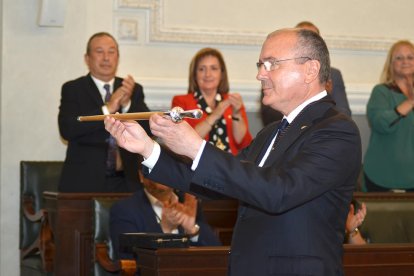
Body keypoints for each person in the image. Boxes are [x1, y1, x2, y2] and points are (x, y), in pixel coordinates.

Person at [104, 28, 362, 275]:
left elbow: (279, 192)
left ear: (310, 70)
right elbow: (217, 182)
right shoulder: (272, 131)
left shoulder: (337, 130)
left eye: (272, 64)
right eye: (260, 65)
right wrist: (148, 149)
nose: (261, 74)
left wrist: (196, 147)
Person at [58, 32, 151, 193]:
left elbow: (148, 130)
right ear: (87, 59)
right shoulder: (73, 89)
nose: (106, 58)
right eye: (99, 52)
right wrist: (108, 108)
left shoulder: (132, 89)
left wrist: (127, 104)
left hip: (127, 182)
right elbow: (67, 129)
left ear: (118, 57)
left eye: (111, 52)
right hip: (84, 182)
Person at [110, 169, 221, 260]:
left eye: (166, 168)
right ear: (141, 176)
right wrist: (164, 230)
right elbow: (129, 261)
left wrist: (192, 231)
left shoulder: (187, 203)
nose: (161, 175)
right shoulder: (124, 210)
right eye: (155, 168)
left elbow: (218, 256)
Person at [172, 47, 252, 155]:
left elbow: (242, 142)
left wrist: (236, 113)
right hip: (196, 166)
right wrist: (216, 114)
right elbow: (184, 141)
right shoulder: (181, 102)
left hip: (231, 165)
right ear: (195, 75)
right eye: (202, 69)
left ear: (222, 73)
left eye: (213, 68)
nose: (208, 74)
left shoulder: (232, 101)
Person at [363, 40, 414, 192]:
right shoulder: (381, 92)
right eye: (398, 58)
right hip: (382, 176)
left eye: (410, 57)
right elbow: (380, 123)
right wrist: (410, 102)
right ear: (390, 64)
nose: (405, 61)